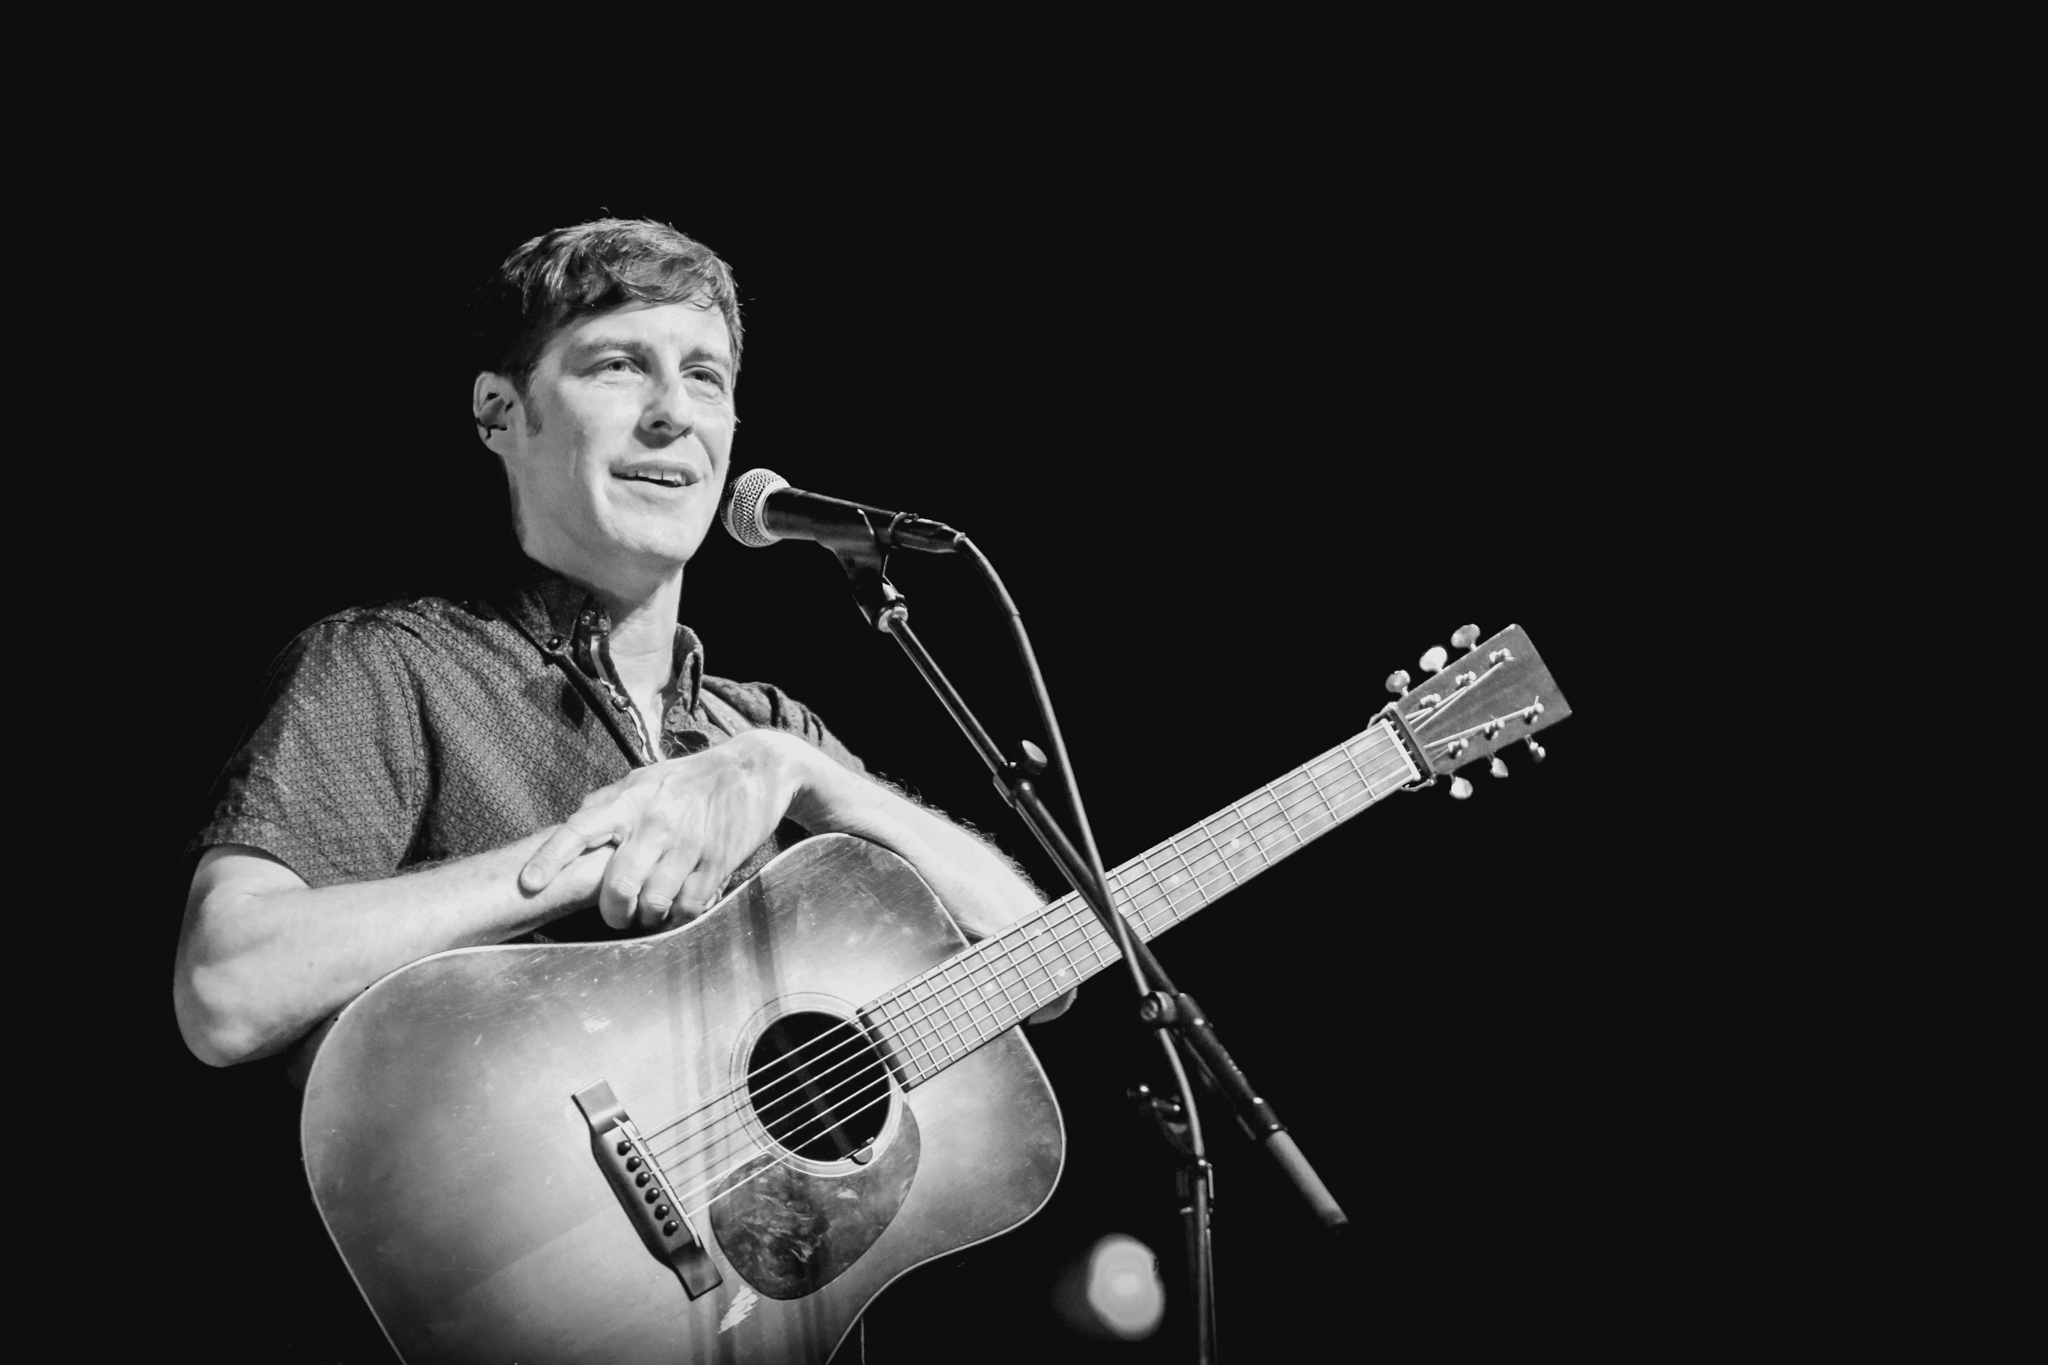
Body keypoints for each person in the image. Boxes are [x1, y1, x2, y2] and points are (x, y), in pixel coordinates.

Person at [173, 217, 1060, 1077]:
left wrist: (803, 770)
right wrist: (592, 856)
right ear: (500, 411)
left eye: (706, 377)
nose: (674, 412)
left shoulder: (759, 731)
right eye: (619, 366)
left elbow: (1041, 967)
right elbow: (229, 987)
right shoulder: (390, 665)